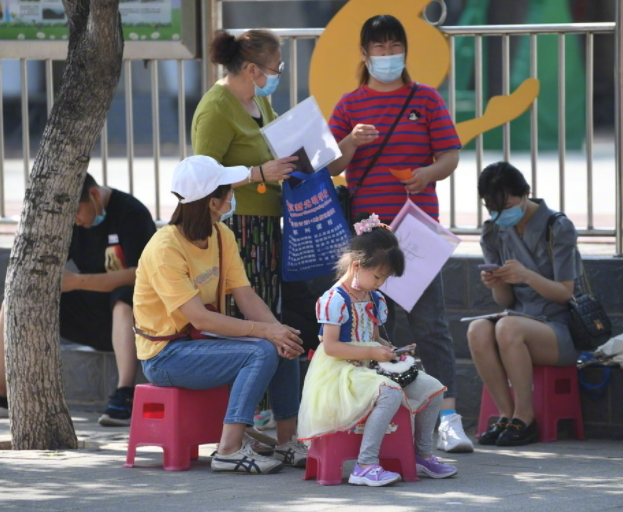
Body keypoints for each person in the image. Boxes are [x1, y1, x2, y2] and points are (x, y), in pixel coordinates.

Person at [326, 14, 472, 453]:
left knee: (430, 326)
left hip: (417, 233)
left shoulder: (424, 98)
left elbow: (450, 156)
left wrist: (427, 172)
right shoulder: (350, 105)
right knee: (370, 329)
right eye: (379, 48)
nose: (387, 55)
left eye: (394, 47)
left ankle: (447, 416)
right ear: (365, 54)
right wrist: (351, 142)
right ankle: (379, 415)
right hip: (368, 237)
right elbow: (330, 165)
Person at [133, 155, 306, 474]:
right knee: (261, 349)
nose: (233, 194)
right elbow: (200, 319)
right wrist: (264, 332)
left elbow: (246, 294)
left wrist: (278, 331)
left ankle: (285, 444)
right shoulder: (164, 249)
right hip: (165, 356)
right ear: (213, 202)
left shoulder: (221, 235)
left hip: (202, 343)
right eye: (228, 190)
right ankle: (228, 449)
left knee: (285, 344)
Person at [0, 173, 156, 426]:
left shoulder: (131, 212)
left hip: (135, 320)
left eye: (77, 211)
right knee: (17, 299)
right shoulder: (69, 220)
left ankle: (125, 393)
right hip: (91, 315)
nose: (74, 220)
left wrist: (78, 282)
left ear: (93, 195)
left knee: (125, 294)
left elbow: (142, 274)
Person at [297, 214, 457, 486]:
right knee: (390, 393)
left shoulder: (373, 297)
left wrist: (390, 349)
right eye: (378, 276)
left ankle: (422, 455)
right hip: (340, 371)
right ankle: (365, 464)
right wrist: (374, 353)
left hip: (369, 365)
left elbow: (371, 337)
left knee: (432, 389)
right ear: (358, 265)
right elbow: (332, 346)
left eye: (385, 278)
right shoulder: (334, 299)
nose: (381, 282)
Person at [192, 29, 317, 340]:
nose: (278, 75)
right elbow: (202, 176)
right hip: (238, 226)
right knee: (247, 307)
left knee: (269, 304)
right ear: (251, 70)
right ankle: (250, 384)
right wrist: (258, 174)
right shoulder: (216, 108)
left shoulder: (258, 103)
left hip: (266, 223)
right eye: (276, 68)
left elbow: (276, 143)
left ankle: (271, 385)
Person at [467, 162, 580, 446]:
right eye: (491, 207)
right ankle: (506, 415)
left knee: (507, 327)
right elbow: (505, 301)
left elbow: (566, 293)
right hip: (516, 320)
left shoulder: (557, 226)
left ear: (526, 193)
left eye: (507, 205)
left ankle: (525, 416)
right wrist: (497, 283)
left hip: (557, 328)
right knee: (478, 330)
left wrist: (527, 276)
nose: (500, 214)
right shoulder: (493, 230)